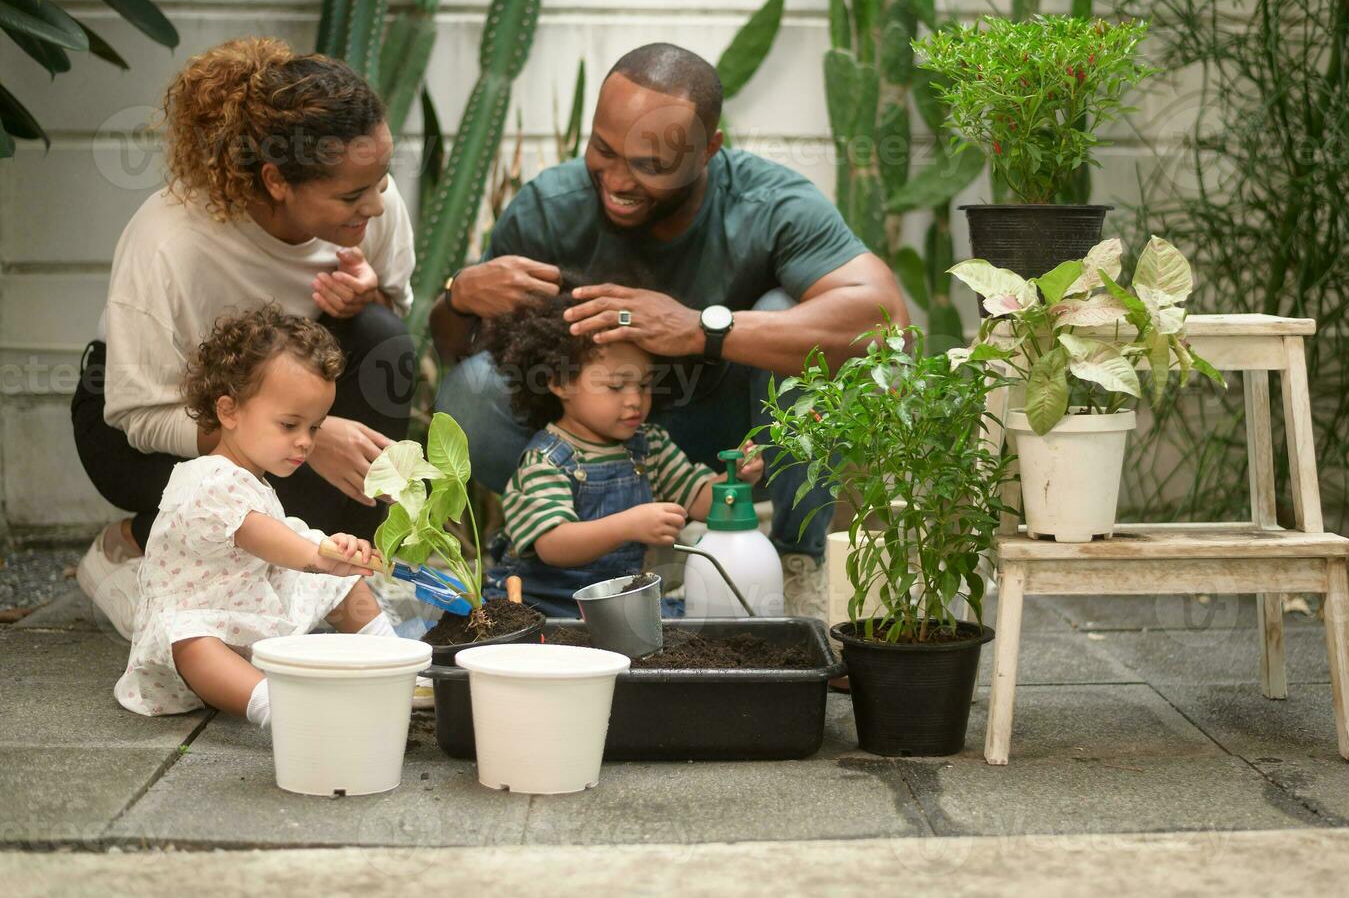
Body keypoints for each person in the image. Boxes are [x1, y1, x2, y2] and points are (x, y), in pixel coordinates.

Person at [430, 43, 906, 613]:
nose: (617, 180)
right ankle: (565, 551)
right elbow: (459, 349)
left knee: (791, 318)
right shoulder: (550, 209)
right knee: (475, 389)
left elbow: (883, 322)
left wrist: (703, 328)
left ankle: (793, 562)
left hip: (734, 440)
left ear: (709, 150)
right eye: (602, 150)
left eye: (650, 166)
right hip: (585, 452)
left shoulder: (768, 203)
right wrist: (459, 297)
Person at [71, 37, 416, 636]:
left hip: (285, 405)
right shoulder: (169, 239)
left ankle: (341, 573)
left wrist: (371, 297)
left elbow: (392, 321)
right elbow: (136, 414)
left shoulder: (368, 203)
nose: (377, 206)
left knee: (383, 338)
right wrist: (302, 430)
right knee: (241, 490)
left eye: (381, 181)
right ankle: (129, 543)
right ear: (278, 180)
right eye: (352, 194)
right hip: (143, 429)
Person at [114, 306, 393, 728]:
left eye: (315, 427)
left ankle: (390, 659)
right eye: (289, 424)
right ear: (229, 411)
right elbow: (260, 534)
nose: (305, 442)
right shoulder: (208, 478)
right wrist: (319, 555)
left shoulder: (251, 479)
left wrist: (336, 555)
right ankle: (273, 707)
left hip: (246, 609)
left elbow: (286, 538)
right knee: (192, 640)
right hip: (203, 626)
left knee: (342, 584)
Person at [478, 286, 763, 618]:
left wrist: (733, 479)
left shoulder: (649, 446)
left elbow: (698, 499)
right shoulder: (546, 459)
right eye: (615, 386)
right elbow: (552, 543)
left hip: (619, 607)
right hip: (549, 607)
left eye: (644, 385)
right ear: (560, 383)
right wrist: (627, 525)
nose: (634, 400)